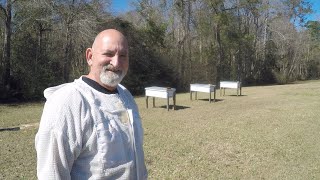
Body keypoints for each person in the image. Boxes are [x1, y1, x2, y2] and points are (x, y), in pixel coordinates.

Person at [35, 29, 148, 180]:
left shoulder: (126, 95)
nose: (116, 62)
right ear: (90, 57)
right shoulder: (67, 102)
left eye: (123, 56)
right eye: (108, 54)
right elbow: (52, 173)